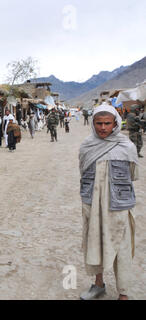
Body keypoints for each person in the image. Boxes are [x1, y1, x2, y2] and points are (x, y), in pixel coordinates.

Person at [79, 103, 139, 300]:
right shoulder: (87, 146)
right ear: (93, 124)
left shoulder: (127, 147)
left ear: (115, 123)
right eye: (98, 123)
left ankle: (124, 293)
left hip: (118, 207)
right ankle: (98, 284)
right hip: (93, 204)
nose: (103, 128)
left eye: (107, 123)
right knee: (94, 242)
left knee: (121, 249)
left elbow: (132, 175)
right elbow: (83, 172)